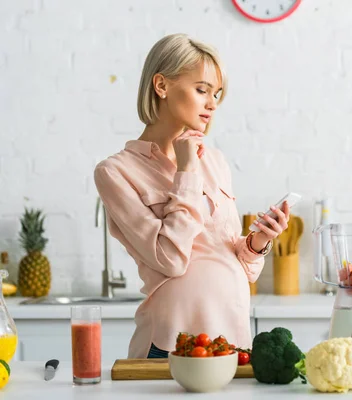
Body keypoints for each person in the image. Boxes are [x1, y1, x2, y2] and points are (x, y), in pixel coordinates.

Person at [94, 33, 289, 359]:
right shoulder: (116, 171)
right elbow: (170, 259)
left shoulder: (215, 160)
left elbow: (235, 260)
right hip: (171, 345)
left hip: (234, 340)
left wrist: (256, 243)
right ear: (162, 86)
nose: (212, 103)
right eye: (202, 90)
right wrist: (186, 170)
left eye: (217, 93)